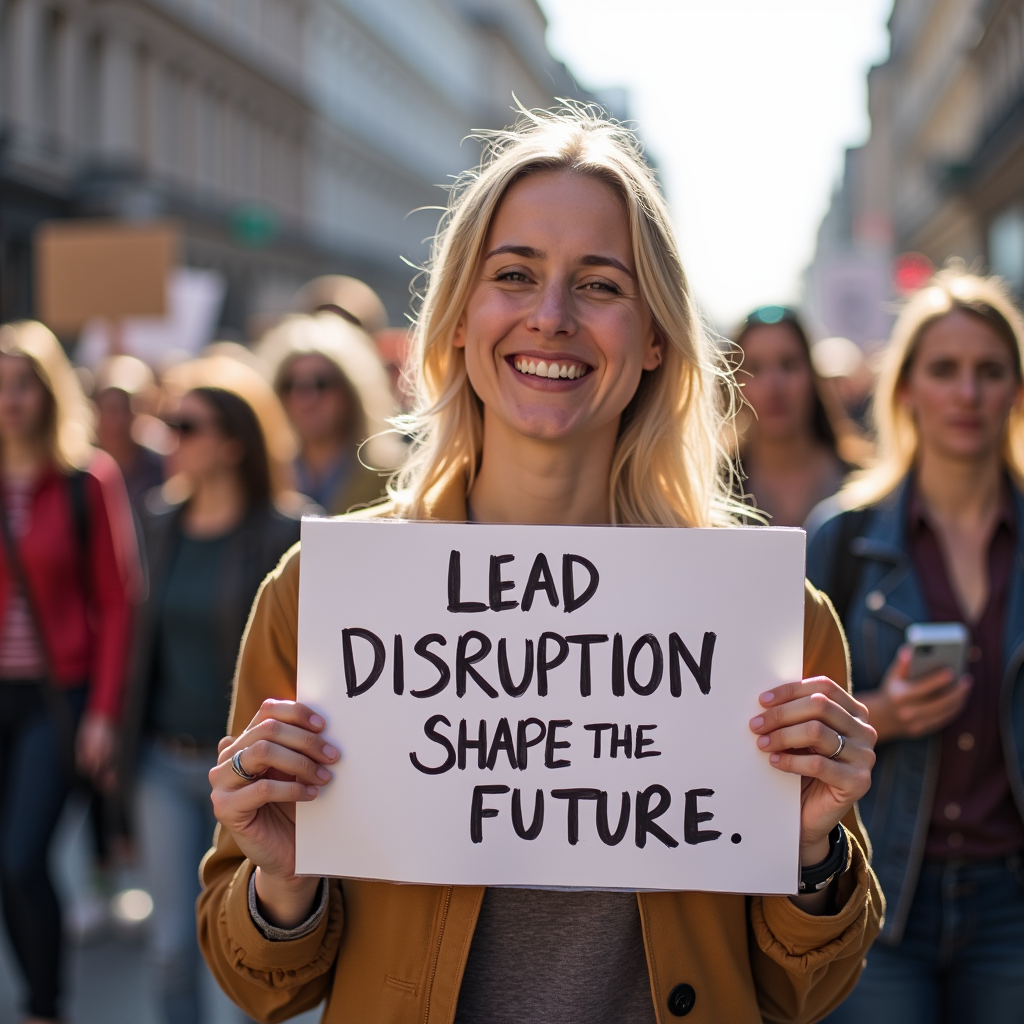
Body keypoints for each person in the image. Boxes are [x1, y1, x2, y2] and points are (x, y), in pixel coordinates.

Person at [198, 106, 882, 1024]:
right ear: (455, 321)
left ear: (653, 338)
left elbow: (810, 987)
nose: (550, 318)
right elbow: (257, 983)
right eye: (514, 275)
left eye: (599, 285)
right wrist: (281, 881)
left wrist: (810, 852)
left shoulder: (770, 620)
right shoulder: (322, 596)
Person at [806, 269, 1024, 1023]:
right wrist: (884, 714)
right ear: (905, 391)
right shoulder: (843, 536)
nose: (967, 394)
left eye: (990, 371)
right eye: (944, 370)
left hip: (1012, 902)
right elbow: (774, 721)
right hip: (879, 895)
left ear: (1015, 391)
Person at [117, 356, 301, 1024]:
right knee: (171, 944)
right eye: (168, 422)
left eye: (186, 424)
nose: (171, 437)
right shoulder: (158, 520)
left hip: (248, 774)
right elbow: (138, 646)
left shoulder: (287, 535)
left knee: (239, 957)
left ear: (233, 441)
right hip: (163, 762)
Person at [0, 320, 140, 1024]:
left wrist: (105, 712)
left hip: (58, 695)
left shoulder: (89, 479)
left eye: (21, 385)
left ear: (49, 392)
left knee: (23, 857)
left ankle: (45, 1007)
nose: (9, 401)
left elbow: (118, 601)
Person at [257, 313, 404, 514]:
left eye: (321, 383)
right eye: (290, 385)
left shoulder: (396, 478)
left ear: (352, 392)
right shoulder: (263, 476)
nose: (305, 399)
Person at [734, 306, 854, 526]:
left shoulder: (864, 482)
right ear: (735, 384)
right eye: (755, 369)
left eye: (788, 365)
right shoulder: (711, 490)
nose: (773, 387)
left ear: (813, 375)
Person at [92, 355, 166, 515]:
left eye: (128, 408)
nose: (119, 420)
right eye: (110, 408)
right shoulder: (78, 470)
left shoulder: (162, 470)